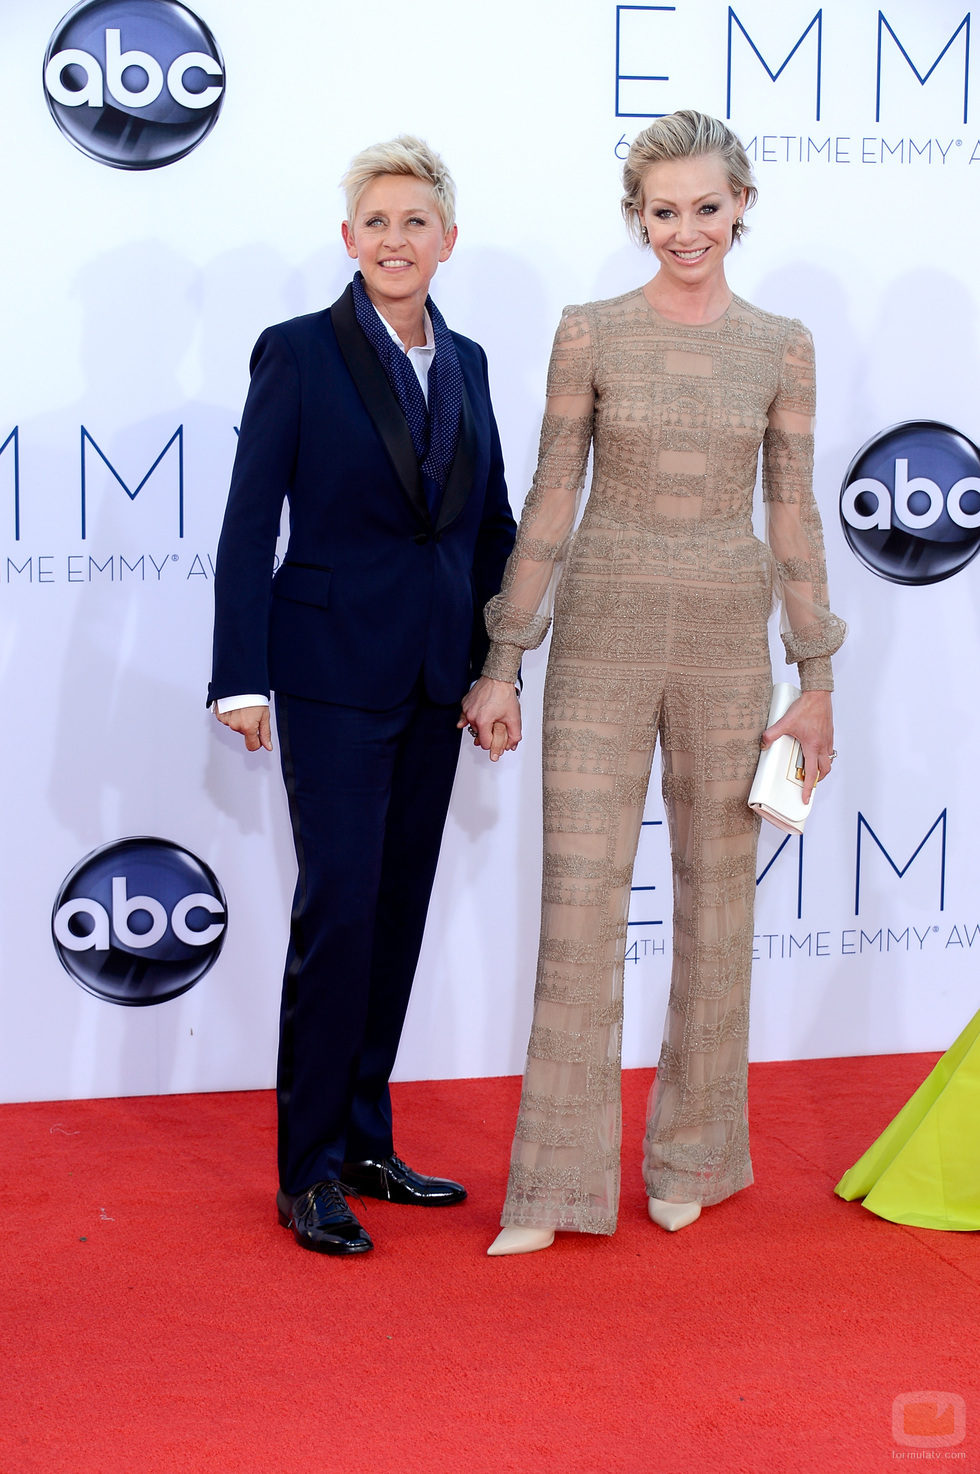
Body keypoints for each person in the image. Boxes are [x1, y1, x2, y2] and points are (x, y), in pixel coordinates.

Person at [461, 110, 846, 1254]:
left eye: (705, 209)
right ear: (636, 217)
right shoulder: (588, 333)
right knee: (577, 902)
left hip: (730, 637)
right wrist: (501, 659)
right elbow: (548, 501)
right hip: (599, 630)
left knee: (718, 902)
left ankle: (692, 1159)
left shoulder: (780, 344)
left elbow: (791, 511)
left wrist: (813, 674)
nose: (685, 231)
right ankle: (552, 1186)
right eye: (662, 211)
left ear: (740, 208)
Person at [209, 136, 516, 1256]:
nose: (395, 240)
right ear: (349, 240)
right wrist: (238, 675)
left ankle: (367, 1143)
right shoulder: (296, 353)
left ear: (446, 240)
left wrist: (498, 669)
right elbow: (250, 525)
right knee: (336, 917)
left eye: (415, 221)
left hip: (438, 679)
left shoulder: (472, 360)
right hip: (330, 675)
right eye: (375, 222)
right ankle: (305, 1174)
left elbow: (488, 530)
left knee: (395, 915)